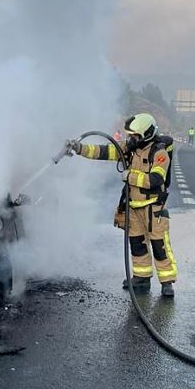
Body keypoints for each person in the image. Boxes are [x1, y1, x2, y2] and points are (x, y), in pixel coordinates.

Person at [70, 113, 177, 298]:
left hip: (153, 209)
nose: (131, 139)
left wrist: (130, 176)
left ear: (147, 134)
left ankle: (167, 283)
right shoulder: (130, 149)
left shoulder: (159, 153)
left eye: (135, 136)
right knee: (137, 245)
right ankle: (141, 279)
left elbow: (156, 179)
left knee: (160, 246)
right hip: (133, 207)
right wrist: (79, 148)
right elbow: (104, 152)